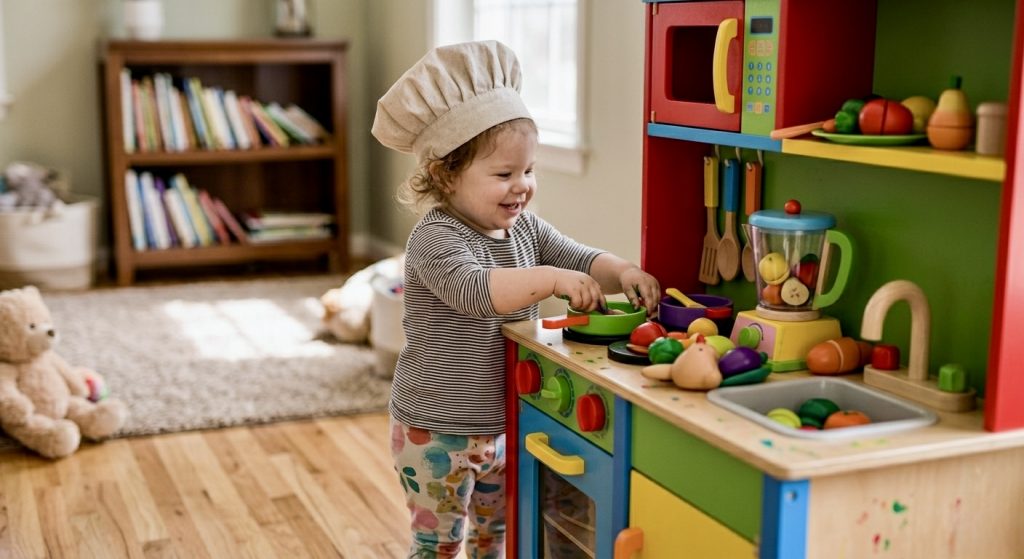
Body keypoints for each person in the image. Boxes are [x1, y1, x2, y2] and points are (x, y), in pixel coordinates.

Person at [371, 40, 661, 558]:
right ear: (446, 174)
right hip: (435, 430)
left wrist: (625, 270)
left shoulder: (526, 229)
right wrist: (550, 279)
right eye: (503, 175)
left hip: (503, 421)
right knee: (438, 544)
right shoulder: (435, 238)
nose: (521, 186)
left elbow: (580, 256)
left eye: (528, 171)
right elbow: (480, 292)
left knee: (496, 535)